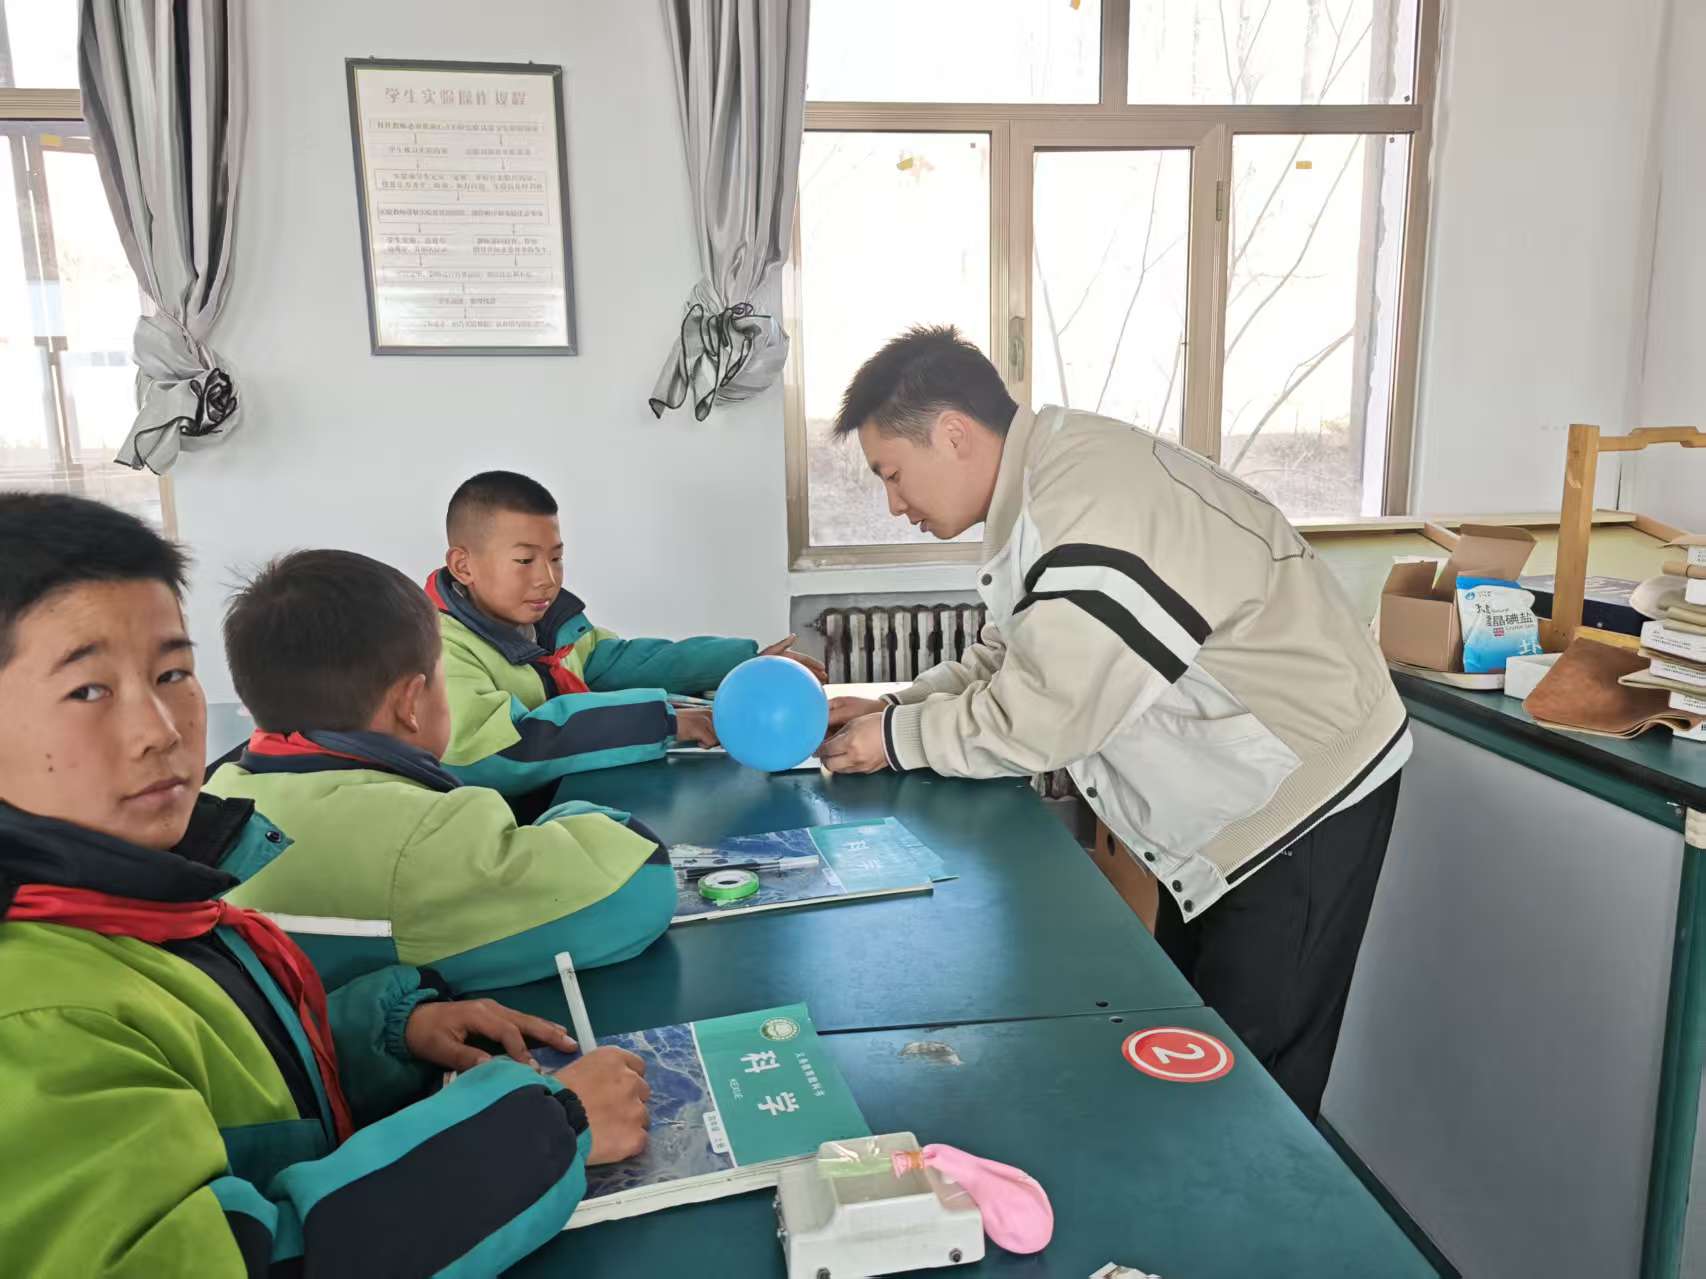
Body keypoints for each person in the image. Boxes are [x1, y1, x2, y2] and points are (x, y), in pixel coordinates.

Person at [0, 494, 649, 1276]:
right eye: (88, 689)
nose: (160, 731)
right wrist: (550, 1129)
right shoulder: (33, 1018)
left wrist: (381, 1034)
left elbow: (220, 1083)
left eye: (172, 672)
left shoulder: (145, 899)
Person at [819, 326, 1410, 1117]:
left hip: (1299, 792)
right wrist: (898, 706)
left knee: (1251, 1086)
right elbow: (1014, 656)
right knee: (1192, 1043)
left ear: (953, 434)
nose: (894, 504)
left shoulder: (1087, 500)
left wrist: (894, 741)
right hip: (1233, 787)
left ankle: (1250, 1194)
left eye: (892, 474)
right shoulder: (1046, 481)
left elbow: (1043, 716)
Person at [204, 549, 676, 992]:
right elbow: (637, 877)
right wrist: (565, 815)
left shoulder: (211, 806)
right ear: (410, 703)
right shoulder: (421, 835)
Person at [429, 470, 825, 797]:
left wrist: (742, 663)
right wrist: (665, 721)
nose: (547, 579)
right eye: (524, 560)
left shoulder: (548, 626)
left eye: (556, 558)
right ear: (463, 566)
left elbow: (622, 662)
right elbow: (507, 749)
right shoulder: (438, 651)